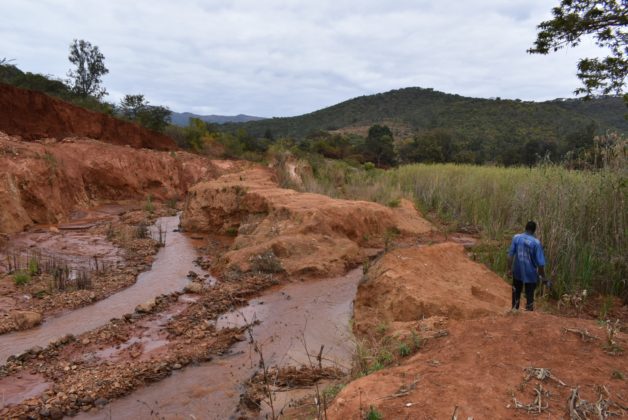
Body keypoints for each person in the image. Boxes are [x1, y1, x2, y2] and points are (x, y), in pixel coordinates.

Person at [507, 221, 546, 311]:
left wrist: (509, 269)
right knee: (529, 295)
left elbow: (510, 256)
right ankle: (528, 314)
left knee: (516, 292)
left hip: (518, 270)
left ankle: (514, 310)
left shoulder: (516, 238)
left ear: (525, 228)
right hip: (531, 273)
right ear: (534, 230)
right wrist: (543, 277)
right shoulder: (536, 243)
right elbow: (541, 264)